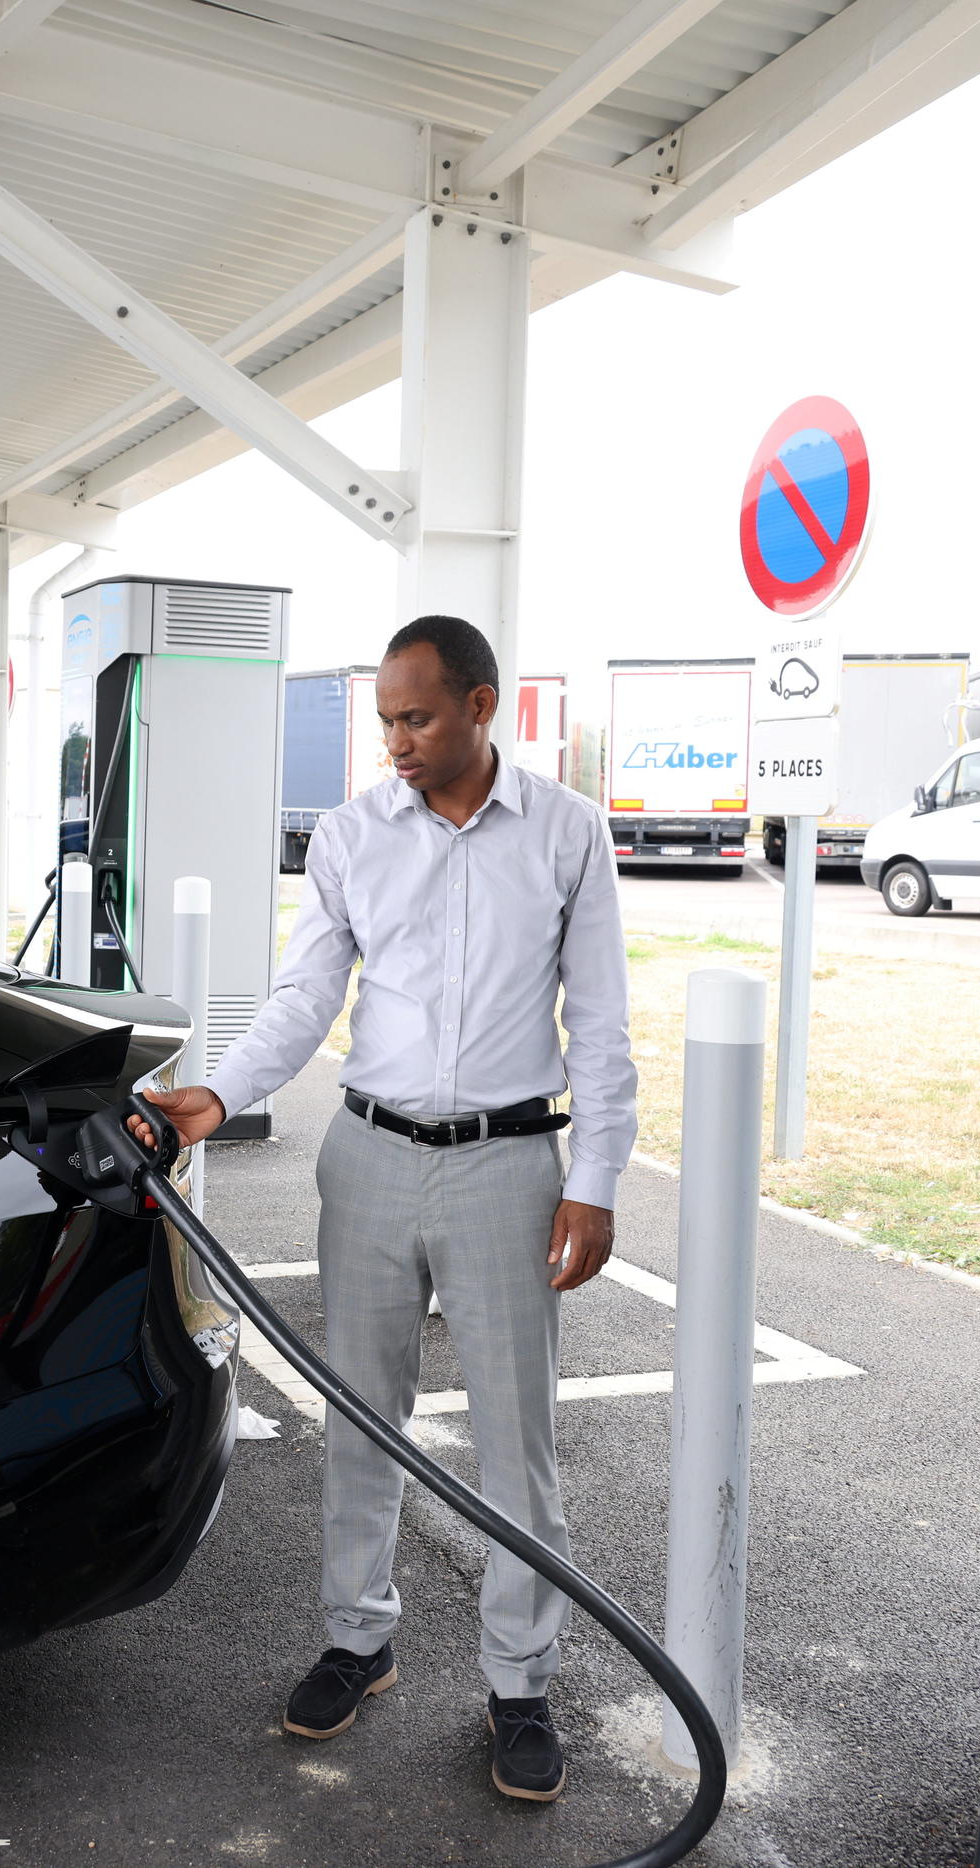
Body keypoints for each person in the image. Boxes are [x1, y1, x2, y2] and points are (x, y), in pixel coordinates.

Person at [135, 614, 633, 1802]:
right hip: (365, 1155)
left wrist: (595, 1179)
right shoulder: (353, 835)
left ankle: (519, 1684)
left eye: (416, 717)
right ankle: (359, 1640)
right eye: (385, 722)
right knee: (362, 1416)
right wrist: (225, 1086)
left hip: (509, 1163)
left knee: (519, 1444)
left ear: (478, 703)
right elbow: (309, 989)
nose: (396, 742)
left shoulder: (567, 832)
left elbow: (602, 1023)